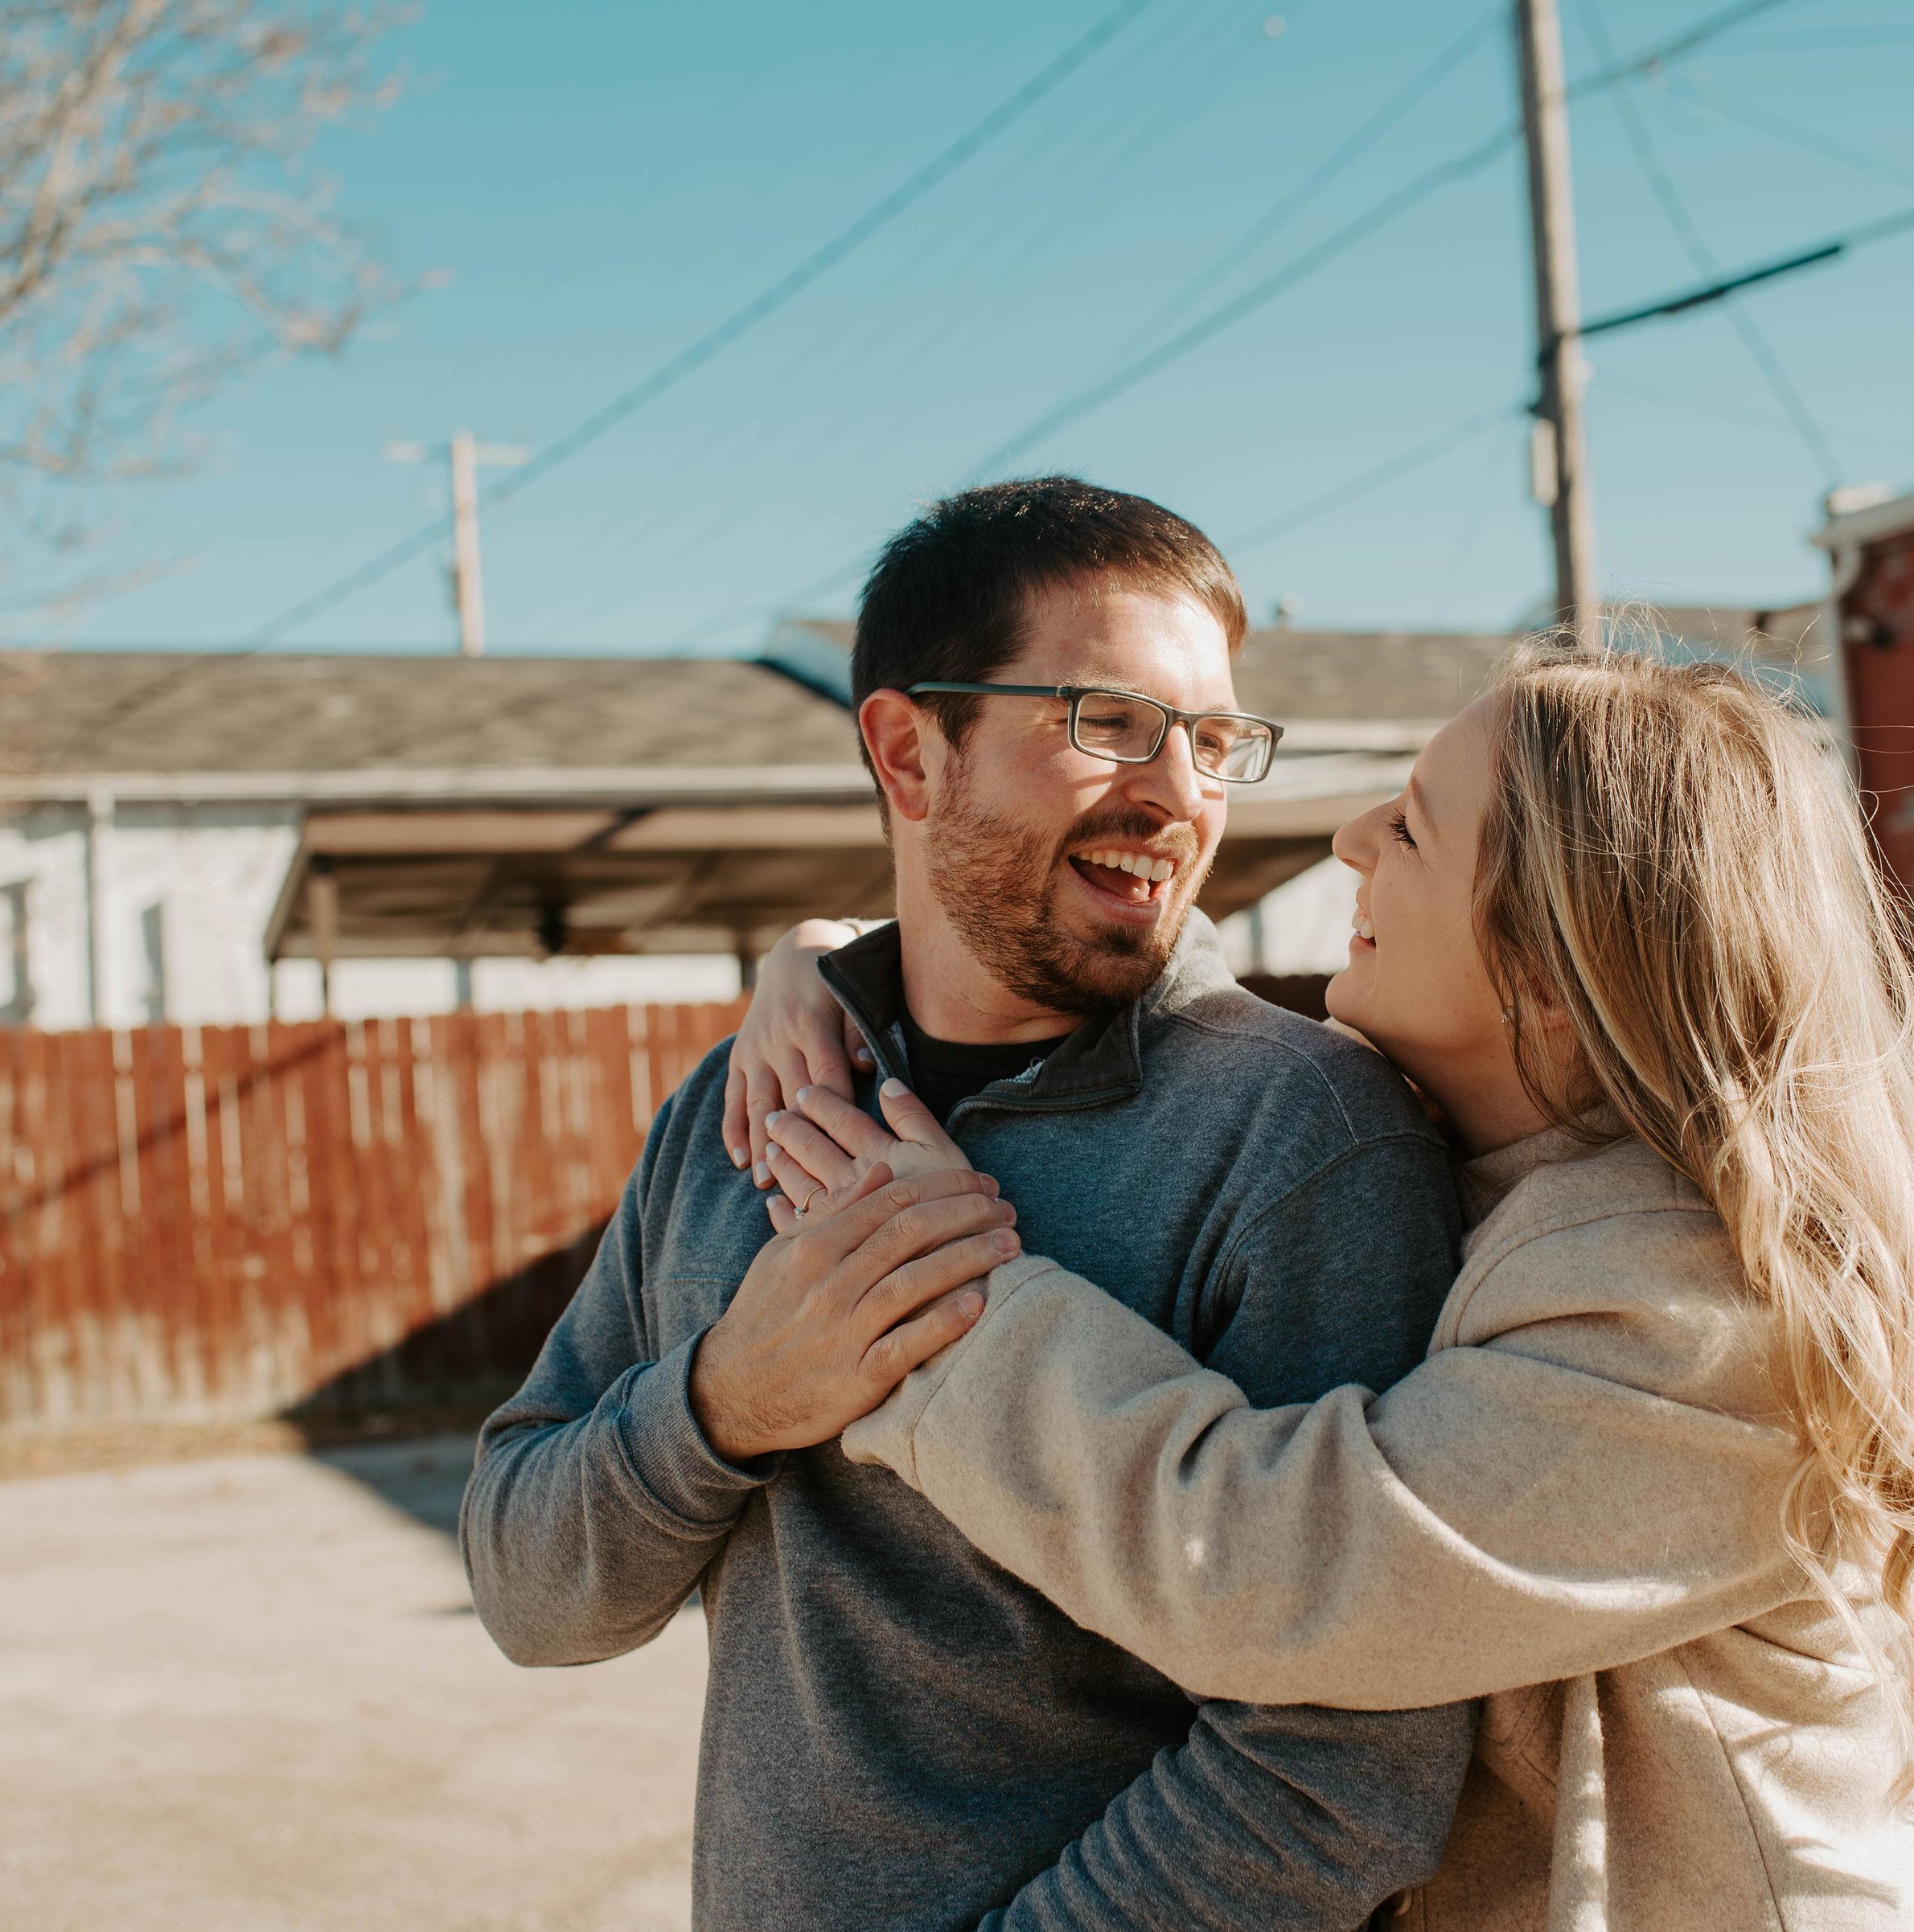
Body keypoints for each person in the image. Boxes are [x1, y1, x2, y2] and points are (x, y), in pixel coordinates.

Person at [726, 638, 1914, 1930]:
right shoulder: (1496, 1175)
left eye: (1413, 829)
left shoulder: (1711, 1311)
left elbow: (1274, 1570)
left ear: (1557, 961)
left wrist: (920, 1290)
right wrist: (832, 964)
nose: (1347, 846)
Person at [458, 477, 1477, 1932]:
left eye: (1210, 742)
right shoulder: (741, 1109)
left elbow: (1343, 1759)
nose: (1181, 793)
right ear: (908, 751)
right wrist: (725, 1404)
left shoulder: (1302, 1134)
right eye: (1108, 722)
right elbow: (528, 1589)